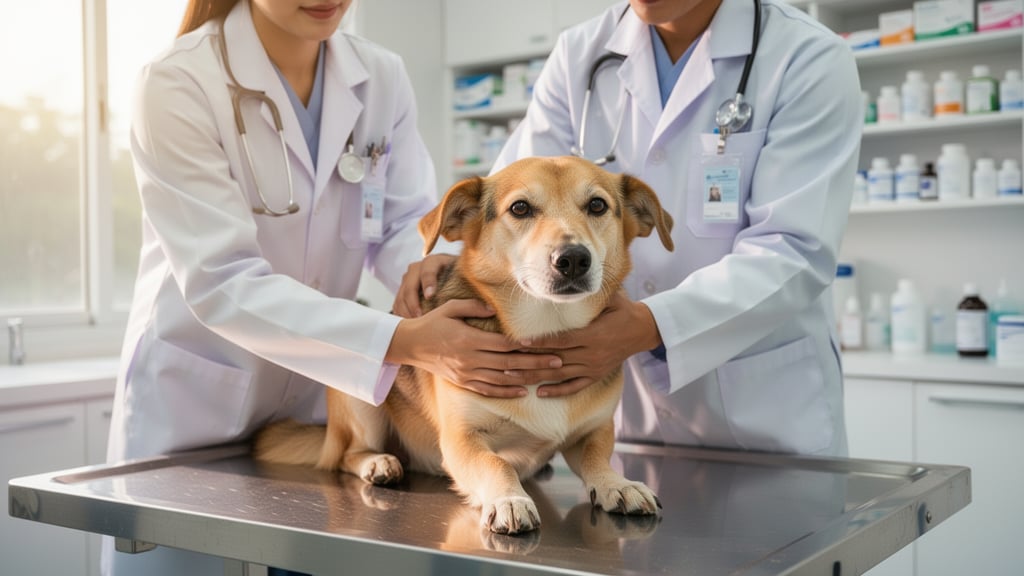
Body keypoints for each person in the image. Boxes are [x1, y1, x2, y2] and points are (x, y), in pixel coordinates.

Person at [104, 1, 561, 574]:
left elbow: (402, 224)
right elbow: (222, 280)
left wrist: (421, 271)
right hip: (195, 407)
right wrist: (402, 339)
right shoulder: (176, 81)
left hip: (316, 405)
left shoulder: (380, 76)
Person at [404, 0, 862, 457]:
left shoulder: (806, 56)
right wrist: (458, 264)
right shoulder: (581, 53)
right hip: (611, 415)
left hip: (761, 416)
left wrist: (652, 324)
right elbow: (513, 196)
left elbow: (794, 248)